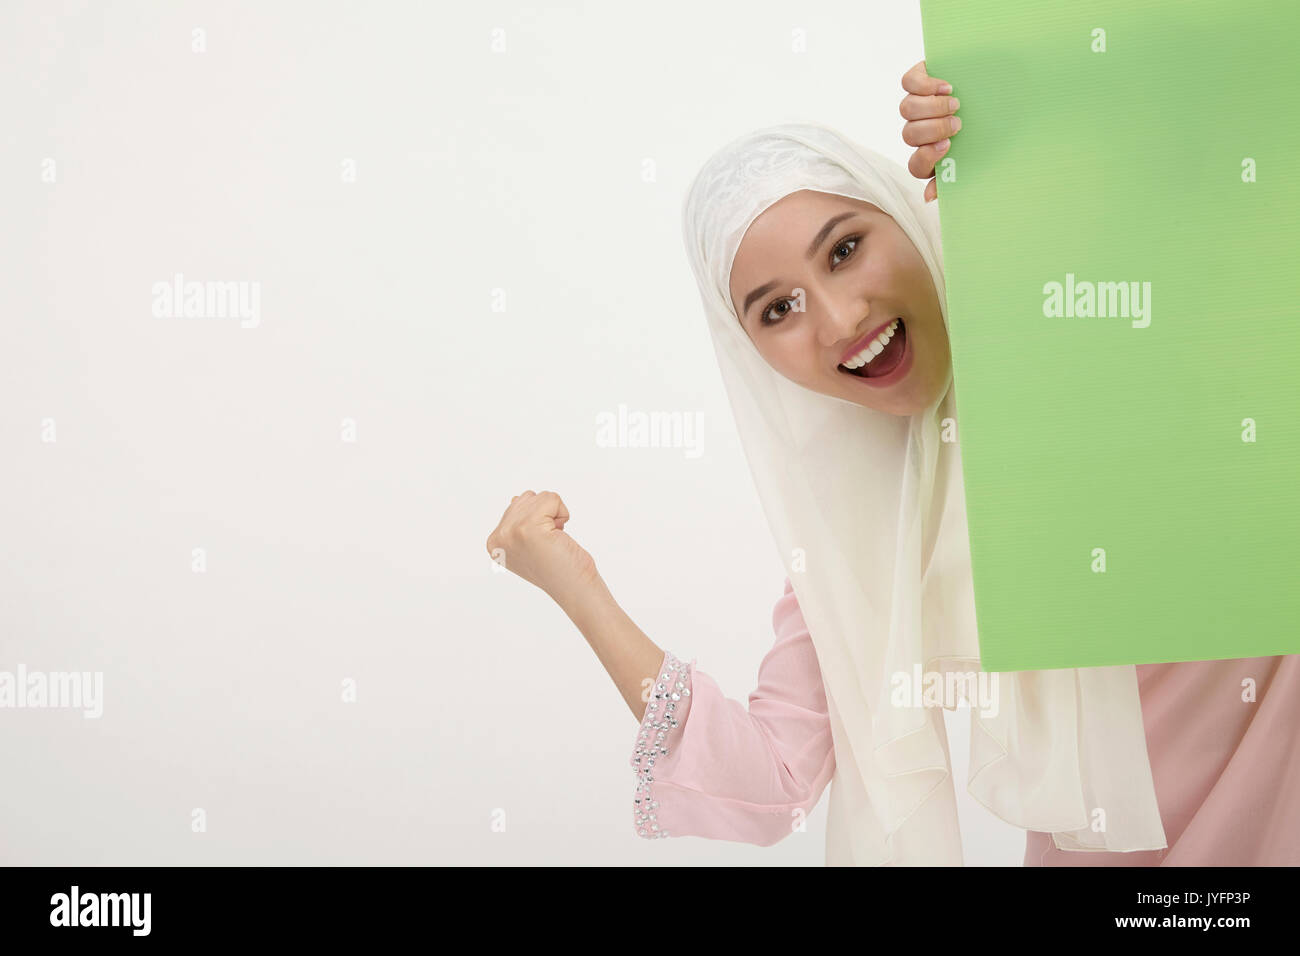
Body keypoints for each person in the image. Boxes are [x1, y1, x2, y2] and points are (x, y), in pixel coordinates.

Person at [485, 62, 1299, 865]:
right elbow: (771, 783)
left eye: (844, 250)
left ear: (907, 215)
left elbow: (1214, 162)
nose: (840, 320)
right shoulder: (861, 540)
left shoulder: (1082, 308)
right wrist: (576, 583)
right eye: (778, 309)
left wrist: (1016, 120)